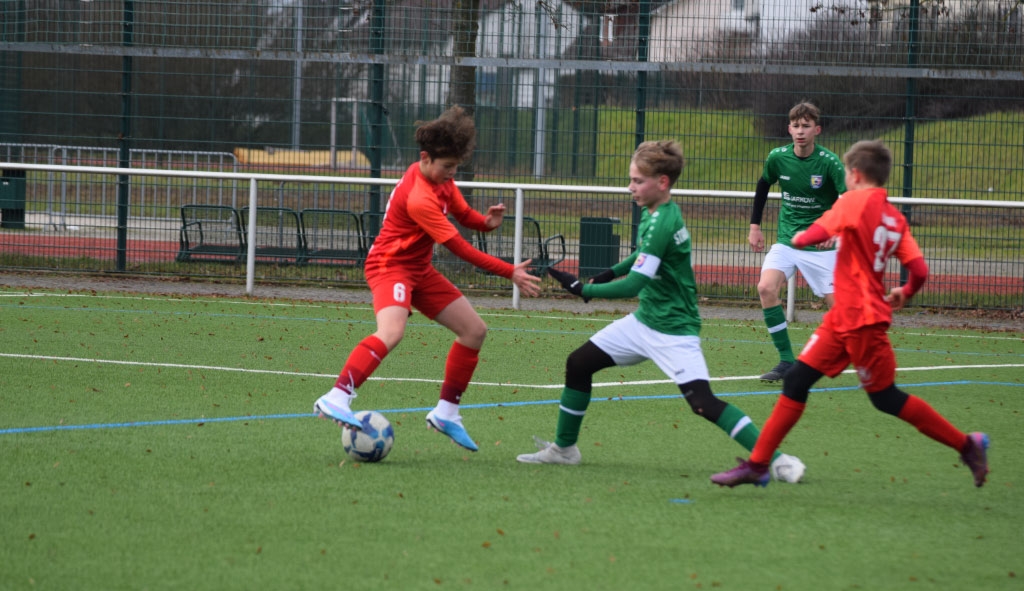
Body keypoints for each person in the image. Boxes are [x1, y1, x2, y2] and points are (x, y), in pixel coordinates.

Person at [711, 140, 990, 488]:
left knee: (885, 398)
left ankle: (967, 444)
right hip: (845, 317)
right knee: (797, 381)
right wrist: (905, 292)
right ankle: (758, 464)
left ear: (855, 174)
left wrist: (799, 240)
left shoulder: (852, 202)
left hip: (861, 321)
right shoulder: (894, 217)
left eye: (846, 172)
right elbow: (919, 269)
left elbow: (814, 234)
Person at [520, 140, 797, 480]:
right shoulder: (656, 212)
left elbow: (635, 284)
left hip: (673, 330)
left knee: (703, 403)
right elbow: (641, 255)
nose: (630, 187)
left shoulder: (663, 220)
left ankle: (778, 460)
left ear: (662, 182)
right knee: (579, 364)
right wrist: (609, 272)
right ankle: (564, 450)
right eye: (631, 180)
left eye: (638, 181)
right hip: (644, 321)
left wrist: (583, 289)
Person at [314, 106, 542, 451]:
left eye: (455, 167)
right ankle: (337, 396)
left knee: (474, 331)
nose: (452, 173)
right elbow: (459, 248)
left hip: (419, 270)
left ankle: (446, 413)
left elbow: (462, 213)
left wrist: (485, 222)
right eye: (447, 166)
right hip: (390, 267)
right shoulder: (420, 197)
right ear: (425, 158)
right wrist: (509, 271)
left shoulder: (441, 180)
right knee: (392, 332)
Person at [749, 101, 846, 382]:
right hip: (787, 241)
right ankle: (786, 361)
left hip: (821, 246)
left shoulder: (829, 162)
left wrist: (835, 230)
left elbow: (847, 199)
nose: (800, 131)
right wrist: (755, 226)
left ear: (817, 130)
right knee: (766, 288)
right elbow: (763, 184)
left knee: (840, 311)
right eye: (796, 126)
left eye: (806, 126)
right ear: (789, 129)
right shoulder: (777, 157)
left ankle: (859, 353)